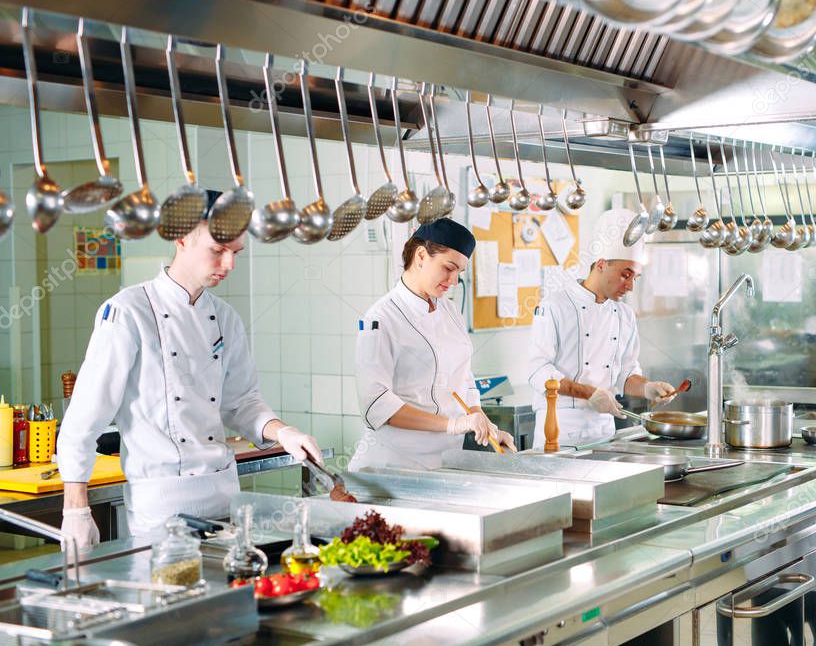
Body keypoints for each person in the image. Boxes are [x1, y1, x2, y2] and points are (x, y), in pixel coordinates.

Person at [58, 191, 323, 546]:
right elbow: (84, 419)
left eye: (236, 253)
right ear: (180, 238)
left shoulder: (226, 318)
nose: (229, 264)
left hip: (225, 498)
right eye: (218, 250)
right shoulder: (127, 312)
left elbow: (242, 402)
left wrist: (284, 432)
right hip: (162, 509)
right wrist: (75, 509)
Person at [351, 218, 514, 471]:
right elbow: (376, 406)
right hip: (393, 464)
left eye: (459, 272)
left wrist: (482, 421)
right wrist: (453, 424)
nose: (453, 280)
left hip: (445, 460)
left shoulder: (449, 311)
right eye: (448, 267)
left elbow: (463, 376)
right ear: (421, 256)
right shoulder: (380, 319)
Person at [526, 209, 678, 449]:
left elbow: (625, 375)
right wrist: (590, 393)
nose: (629, 286)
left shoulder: (624, 315)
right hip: (559, 431)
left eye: (635, 278)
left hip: (605, 432)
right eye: (624, 275)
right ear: (600, 265)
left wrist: (648, 388)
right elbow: (538, 371)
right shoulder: (554, 306)